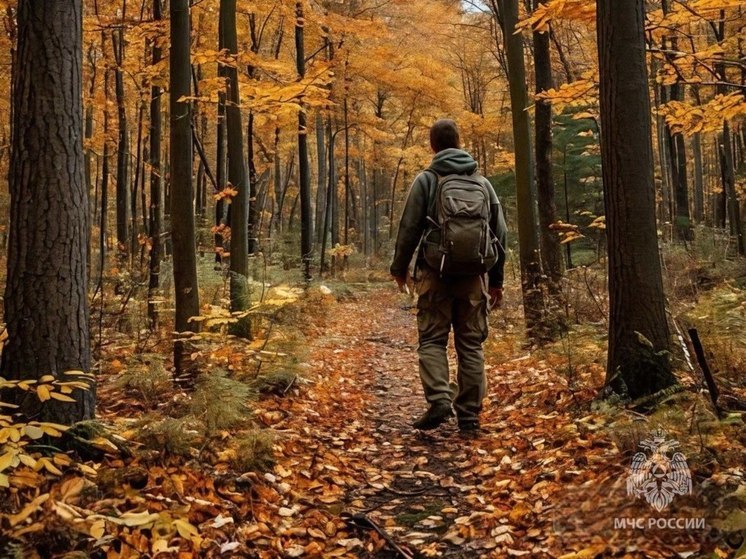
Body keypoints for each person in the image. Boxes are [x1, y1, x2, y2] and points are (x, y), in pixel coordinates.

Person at [390, 119, 507, 434]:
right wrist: (496, 280)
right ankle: (469, 415)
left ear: (432, 146)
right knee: (470, 344)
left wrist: (399, 269)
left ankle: (440, 399)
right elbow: (501, 233)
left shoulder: (426, 180)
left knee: (432, 339)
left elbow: (409, 228)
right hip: (474, 278)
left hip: (434, 275)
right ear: (459, 142)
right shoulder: (482, 183)